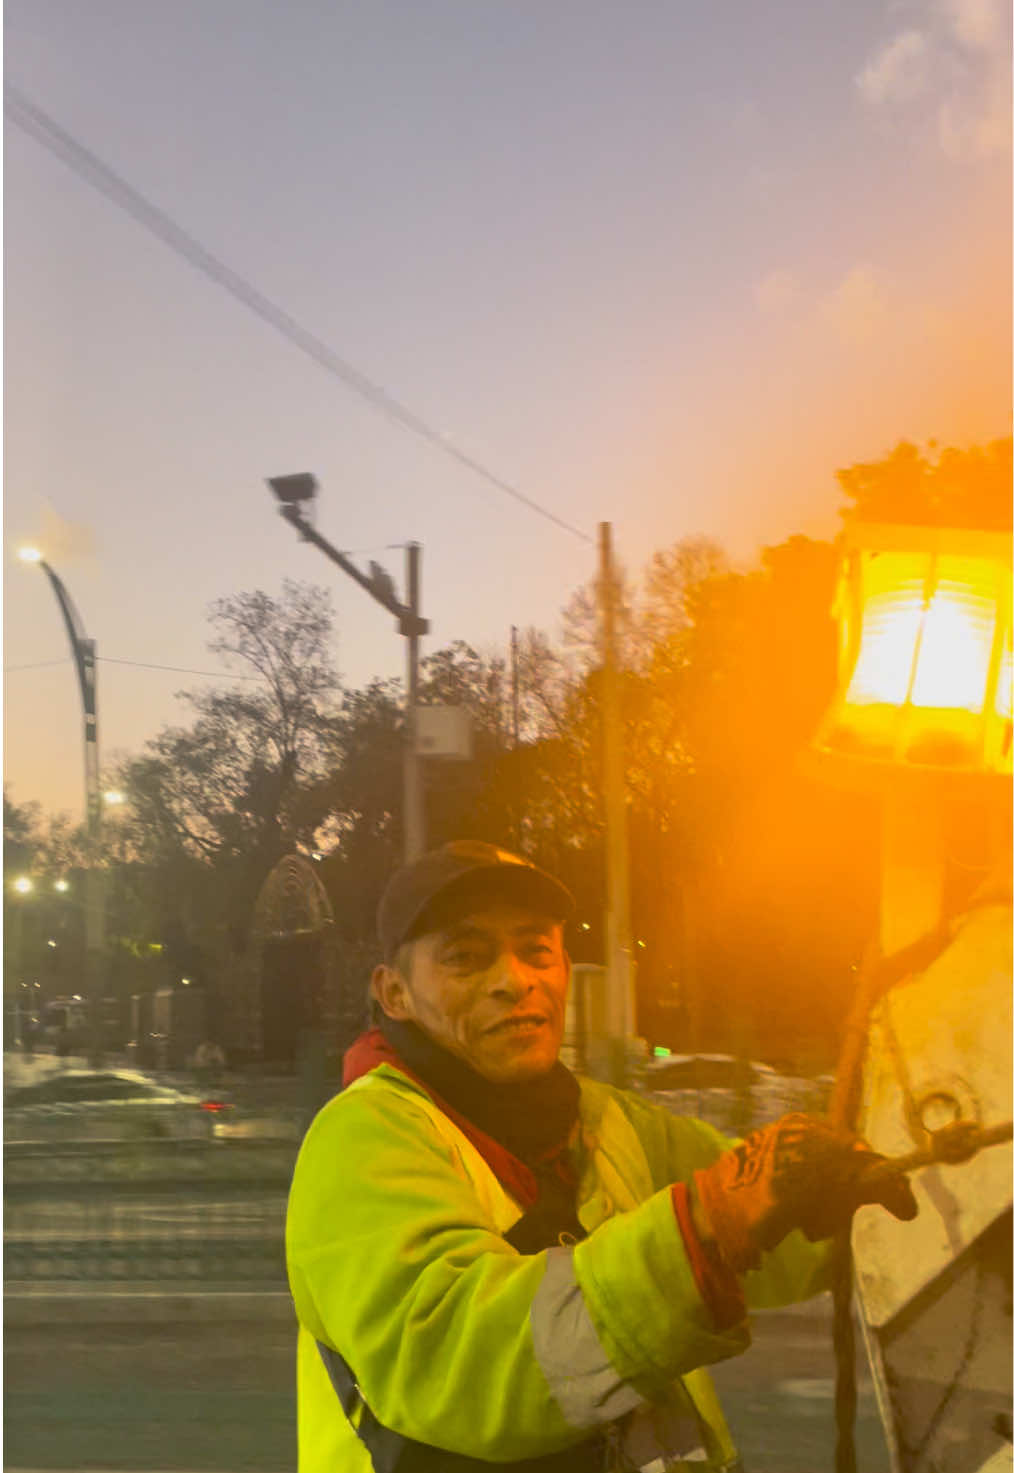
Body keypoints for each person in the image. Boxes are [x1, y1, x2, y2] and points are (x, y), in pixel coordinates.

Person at [286, 841, 917, 1472]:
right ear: (394, 993)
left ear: (563, 968)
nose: (515, 980)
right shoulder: (363, 1138)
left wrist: (860, 1190)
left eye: (536, 950)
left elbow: (777, 1228)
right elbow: (455, 1363)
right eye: (466, 958)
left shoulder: (611, 1122)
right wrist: (703, 1226)